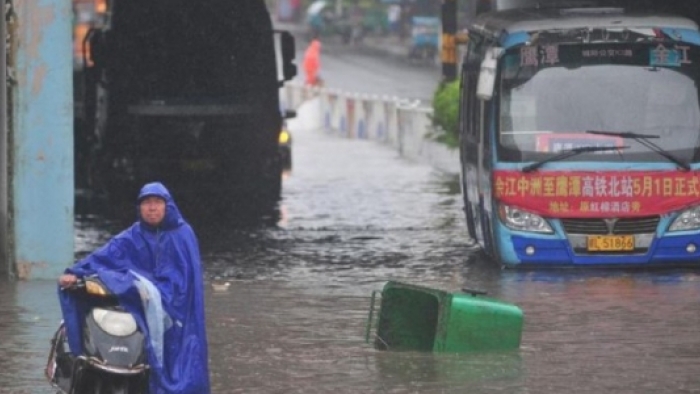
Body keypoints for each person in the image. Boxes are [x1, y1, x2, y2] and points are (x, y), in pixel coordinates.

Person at [57, 182, 211, 394]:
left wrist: (157, 293)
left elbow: (187, 282)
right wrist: (75, 273)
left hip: (177, 307)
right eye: (147, 203)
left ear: (167, 206)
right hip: (141, 302)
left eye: (157, 203)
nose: (152, 208)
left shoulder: (183, 235)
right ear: (140, 208)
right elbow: (104, 256)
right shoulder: (133, 235)